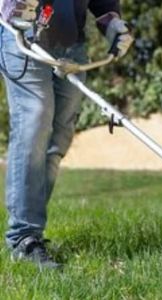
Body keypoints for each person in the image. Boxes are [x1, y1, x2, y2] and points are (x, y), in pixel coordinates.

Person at [0, 0, 133, 269]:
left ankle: (31, 234)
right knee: (34, 121)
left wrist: (113, 23)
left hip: (72, 42)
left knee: (58, 139)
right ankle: (23, 238)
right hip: (23, 33)